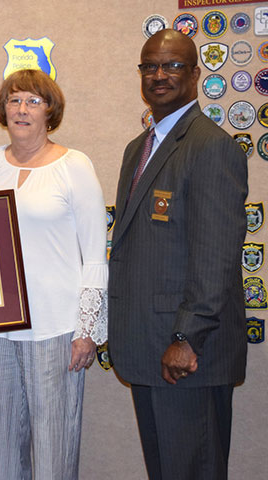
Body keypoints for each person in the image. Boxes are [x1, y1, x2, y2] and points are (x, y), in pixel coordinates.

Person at [108, 29, 248, 480]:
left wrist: (187, 338)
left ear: (194, 74)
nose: (159, 75)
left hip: (188, 355)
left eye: (172, 65)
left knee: (193, 471)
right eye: (150, 66)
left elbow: (217, 254)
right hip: (148, 346)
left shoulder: (211, 146)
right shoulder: (139, 149)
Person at [0, 68, 108, 479]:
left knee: (53, 453)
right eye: (14, 100)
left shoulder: (75, 166)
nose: (22, 109)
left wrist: (87, 329)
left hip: (57, 330)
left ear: (51, 111)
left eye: (33, 100)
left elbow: (95, 255)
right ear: (2, 110)